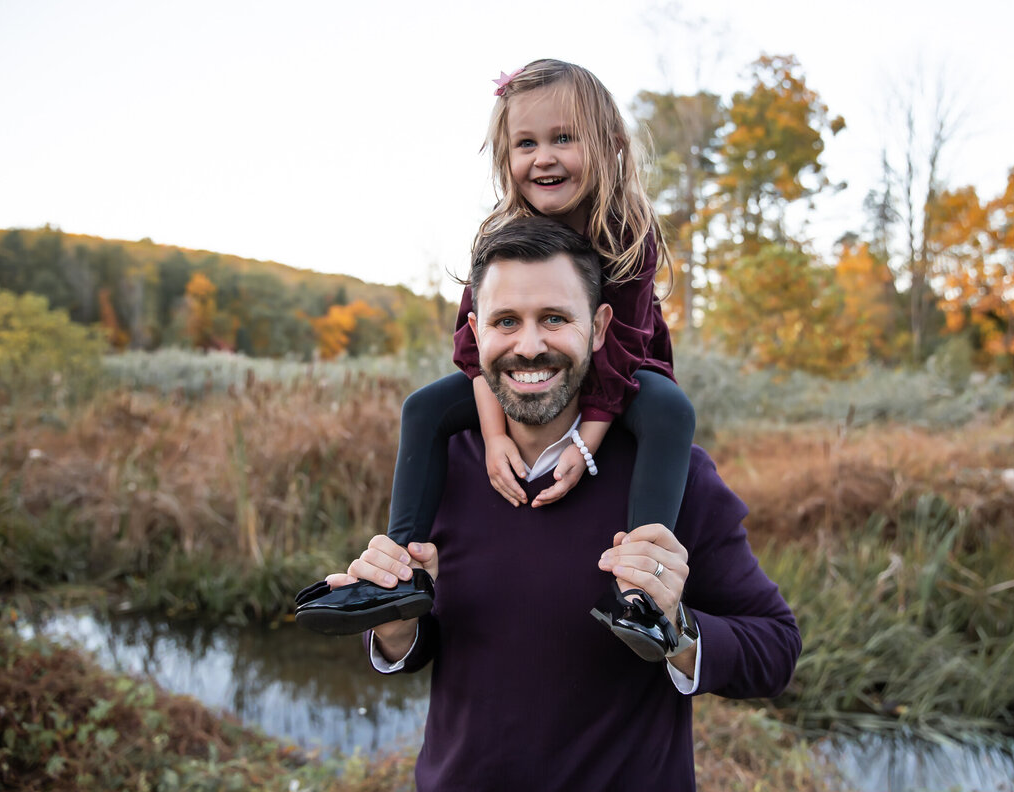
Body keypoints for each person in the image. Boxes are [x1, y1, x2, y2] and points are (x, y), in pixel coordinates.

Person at [304, 217, 801, 791]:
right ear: (476, 331)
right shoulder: (444, 463)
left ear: (598, 328)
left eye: (555, 319)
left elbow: (776, 649)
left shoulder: (672, 475)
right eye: (506, 322)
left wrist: (679, 630)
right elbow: (421, 643)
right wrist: (394, 629)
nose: (530, 345)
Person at [378, 59, 696, 647]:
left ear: (608, 146)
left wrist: (584, 441)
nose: (543, 157)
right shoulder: (501, 234)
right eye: (526, 143)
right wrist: (494, 436)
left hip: (618, 374)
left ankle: (640, 591)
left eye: (563, 138)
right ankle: (398, 572)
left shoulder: (627, 228)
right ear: (505, 158)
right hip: (524, 375)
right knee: (423, 409)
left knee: (671, 411)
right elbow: (475, 348)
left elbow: (622, 346)